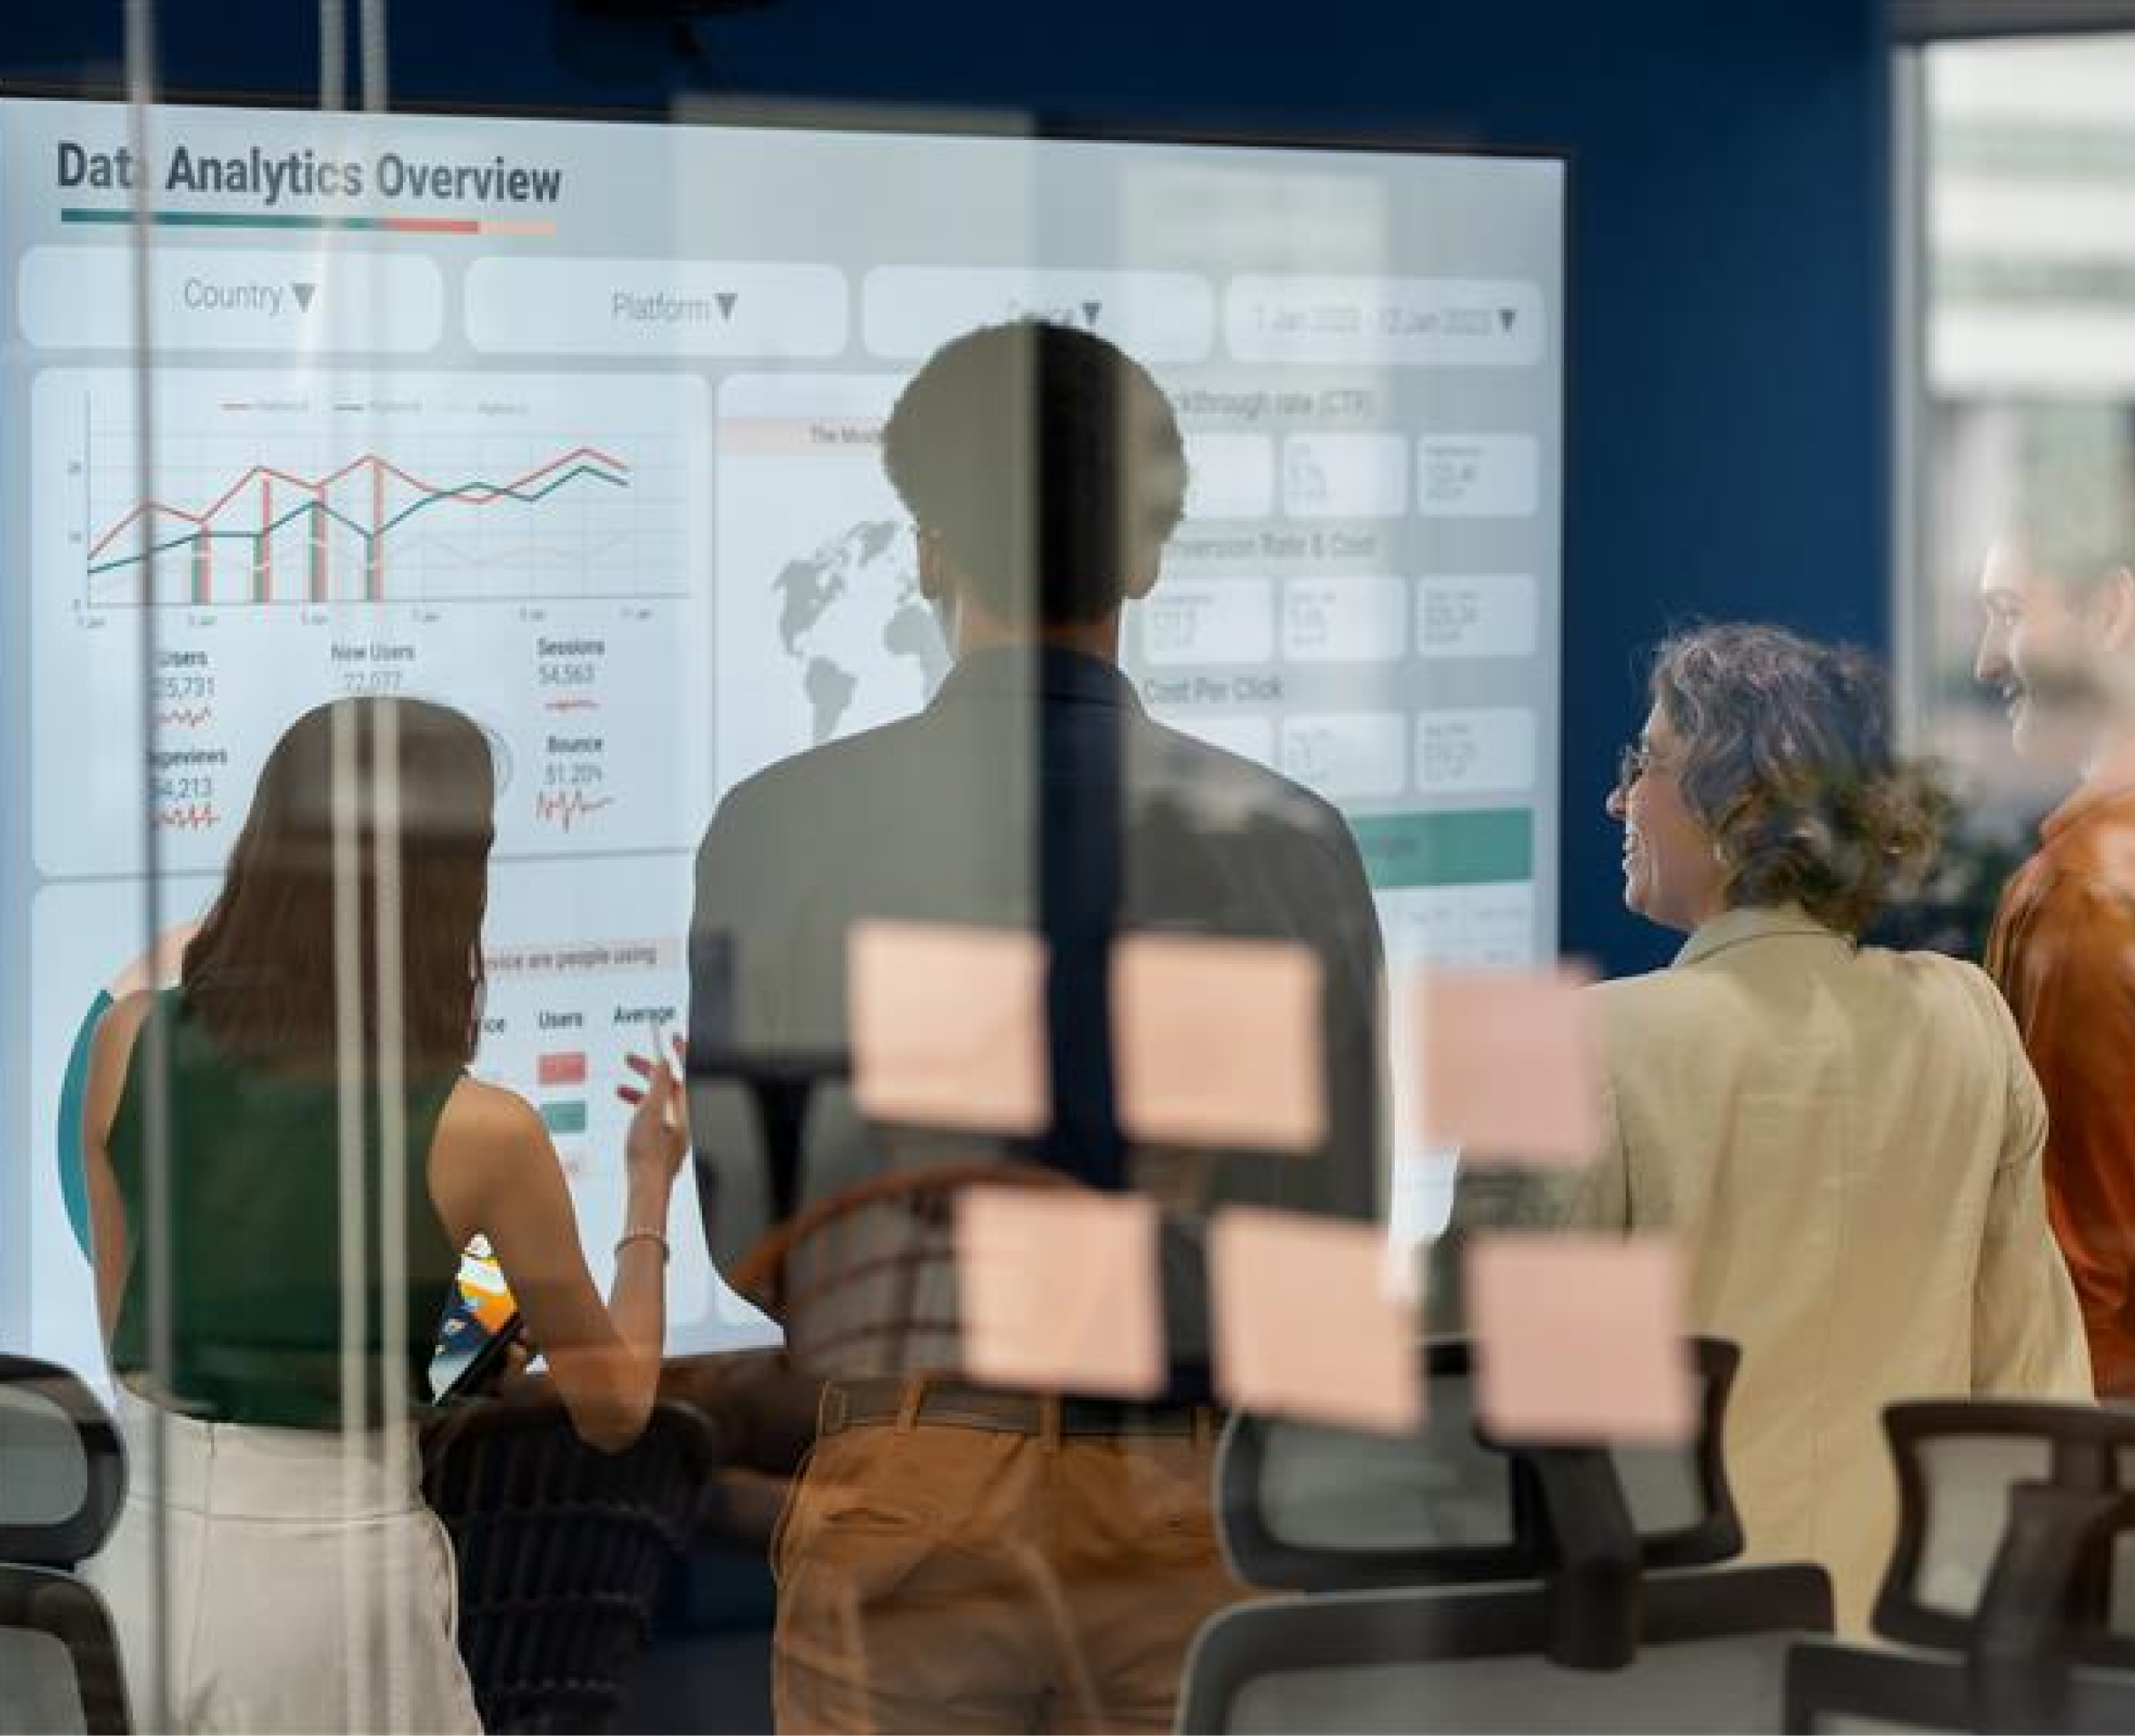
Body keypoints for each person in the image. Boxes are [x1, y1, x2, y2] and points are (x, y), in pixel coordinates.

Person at [687, 319, 1386, 1733]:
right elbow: (1332, 1233)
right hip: (1185, 1495)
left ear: (930, 552)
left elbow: (752, 1229)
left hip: (911, 1473)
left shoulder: (778, 827)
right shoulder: (1289, 841)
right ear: (1145, 560)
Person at [77, 697, 688, 1733]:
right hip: (332, 1599)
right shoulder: (483, 1130)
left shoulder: (129, 1041)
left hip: (137, 1569)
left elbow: (146, 1334)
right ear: (448, 891)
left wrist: (450, 1337)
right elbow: (617, 1403)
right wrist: (648, 1188)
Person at [1551, 624, 2089, 1625]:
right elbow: (2035, 1384)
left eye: (1647, 763)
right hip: (1911, 1643)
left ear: (1739, 804)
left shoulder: (1587, 1045)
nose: (1619, 799)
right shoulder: (1967, 1017)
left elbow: (1492, 1406)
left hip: (1667, 1648)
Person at [1976, 510, 2135, 1402]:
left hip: (2130, 1437)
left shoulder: (2088, 889)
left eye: (2008, 611)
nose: (1985, 660)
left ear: (2111, 610)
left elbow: (2067, 1268)